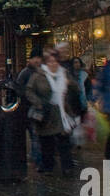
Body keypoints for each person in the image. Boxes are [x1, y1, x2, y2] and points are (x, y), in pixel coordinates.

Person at [26, 45, 81, 176]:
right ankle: (48, 167)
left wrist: (70, 83)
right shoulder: (39, 75)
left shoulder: (64, 73)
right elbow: (29, 91)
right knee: (47, 142)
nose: (53, 64)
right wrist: (38, 103)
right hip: (46, 112)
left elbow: (77, 88)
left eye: (55, 61)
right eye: (50, 62)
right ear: (46, 63)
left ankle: (67, 167)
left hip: (62, 113)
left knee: (64, 141)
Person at [16, 45, 43, 166]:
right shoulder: (25, 73)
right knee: (35, 135)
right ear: (30, 59)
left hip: (38, 109)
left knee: (36, 135)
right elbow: (19, 91)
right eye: (35, 58)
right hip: (29, 110)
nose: (37, 60)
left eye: (39, 58)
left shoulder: (42, 72)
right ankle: (38, 160)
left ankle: (36, 156)